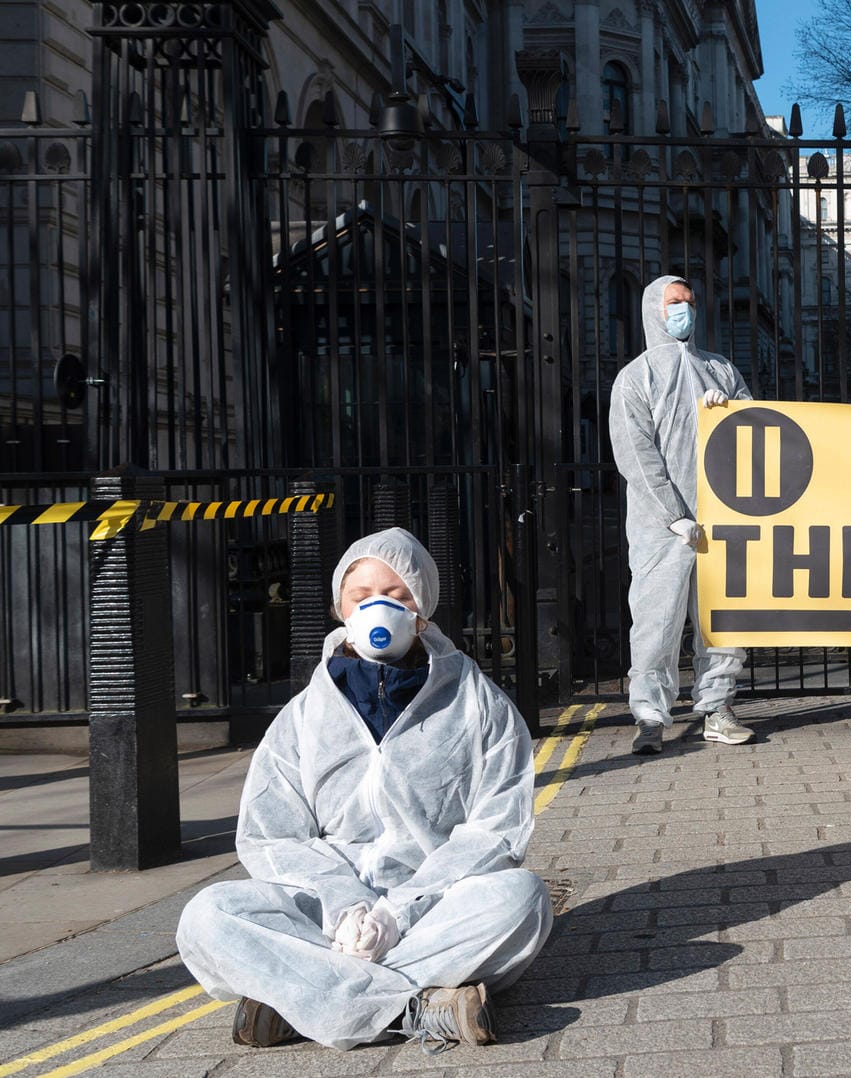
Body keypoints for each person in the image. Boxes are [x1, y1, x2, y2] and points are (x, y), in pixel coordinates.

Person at [176, 528, 552, 1051]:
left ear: (424, 609)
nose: (380, 608)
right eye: (363, 596)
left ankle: (302, 996)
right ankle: (417, 1007)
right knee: (208, 915)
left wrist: (400, 912)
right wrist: (345, 904)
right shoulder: (303, 717)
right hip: (325, 909)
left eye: (398, 597)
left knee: (522, 898)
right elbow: (271, 835)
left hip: (432, 908)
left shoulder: (479, 705)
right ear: (340, 608)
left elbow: (495, 829)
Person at [610, 274, 754, 754]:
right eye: (675, 302)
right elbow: (636, 453)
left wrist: (731, 410)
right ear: (654, 309)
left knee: (724, 622)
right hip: (662, 528)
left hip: (722, 520)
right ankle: (650, 716)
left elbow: (760, 432)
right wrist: (673, 514)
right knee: (656, 622)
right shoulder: (636, 376)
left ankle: (717, 707)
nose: (684, 310)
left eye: (690, 302)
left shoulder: (722, 371)